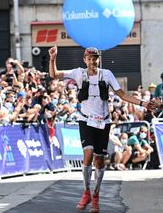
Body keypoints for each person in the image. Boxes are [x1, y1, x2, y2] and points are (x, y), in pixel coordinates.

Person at [48, 46, 154, 212]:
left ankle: (95, 195)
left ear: (99, 59)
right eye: (89, 58)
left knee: (99, 159)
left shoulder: (107, 74)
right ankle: (86, 191)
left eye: (95, 58)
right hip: (85, 120)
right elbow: (54, 74)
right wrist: (53, 58)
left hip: (103, 122)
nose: (92, 61)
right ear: (85, 60)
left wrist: (142, 103)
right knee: (88, 153)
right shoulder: (78, 73)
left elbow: (122, 95)